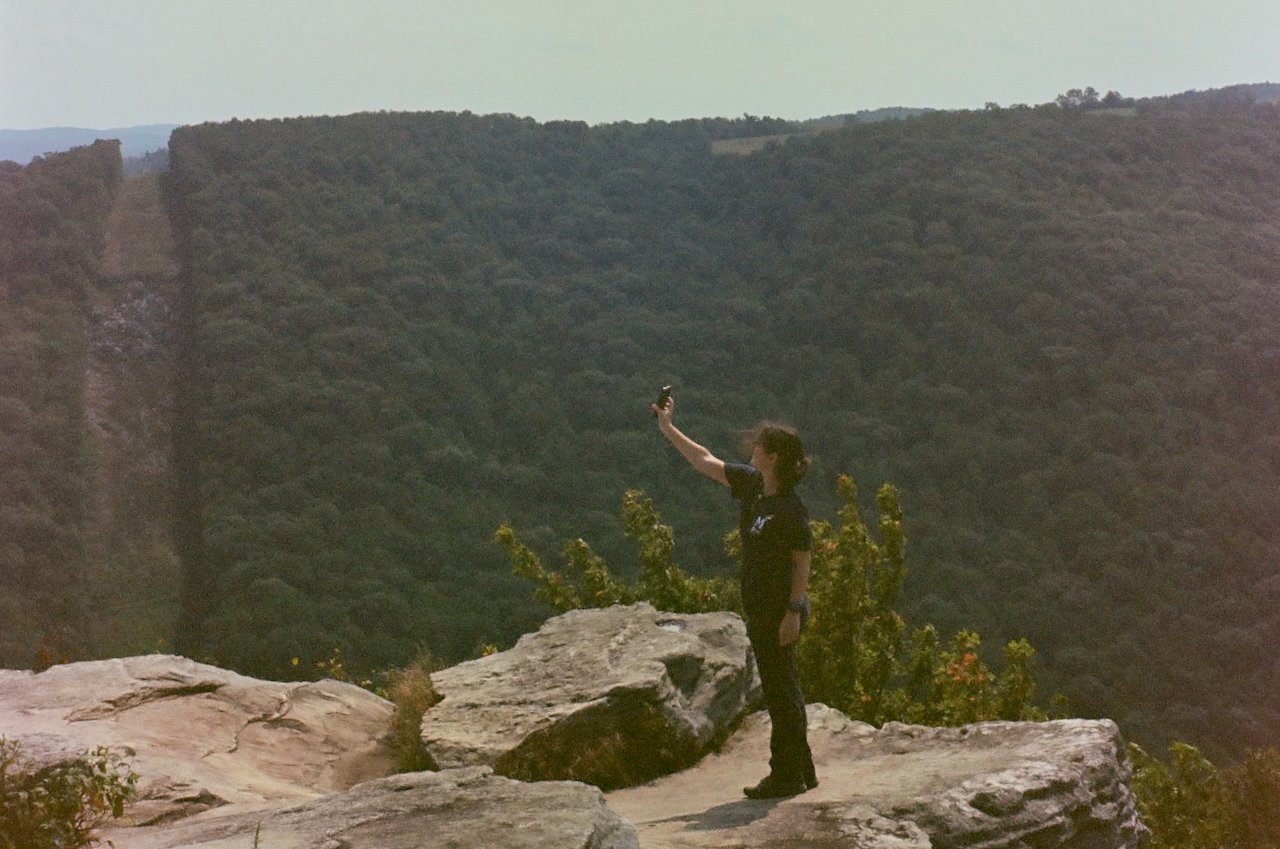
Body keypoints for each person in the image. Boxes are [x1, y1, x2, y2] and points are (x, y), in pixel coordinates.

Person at [652, 391, 817, 799]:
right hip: (761, 609)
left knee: (782, 692)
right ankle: (803, 770)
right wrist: (669, 428)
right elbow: (703, 460)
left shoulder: (790, 510)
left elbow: (802, 561)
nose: (753, 449)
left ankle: (786, 775)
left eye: (760, 446)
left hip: (780, 610)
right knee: (783, 686)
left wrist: (794, 611)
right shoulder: (752, 486)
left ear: (775, 456)